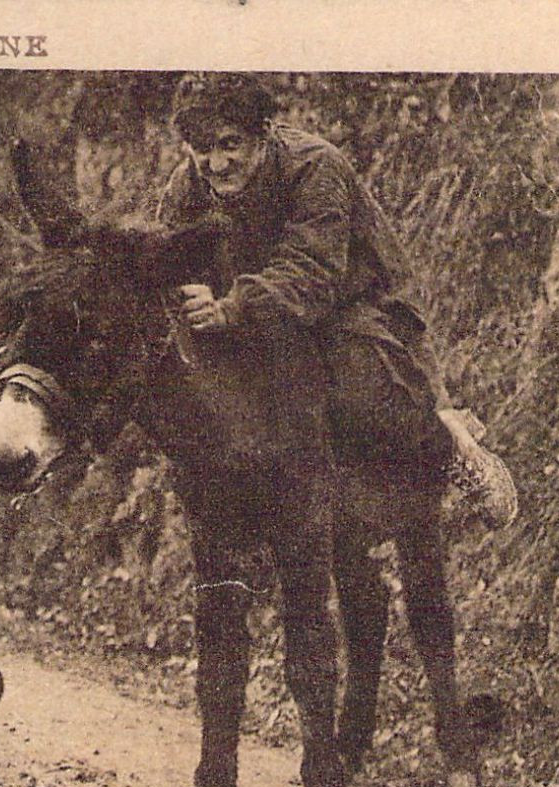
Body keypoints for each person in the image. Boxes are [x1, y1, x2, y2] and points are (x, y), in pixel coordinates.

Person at [109, 73, 517, 527]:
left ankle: (454, 446)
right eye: (202, 149)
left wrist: (227, 307)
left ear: (264, 134)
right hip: (260, 318)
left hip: (353, 306)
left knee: (362, 394)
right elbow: (167, 253)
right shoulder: (188, 186)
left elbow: (312, 270)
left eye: (230, 144)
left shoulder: (314, 165)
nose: (217, 163)